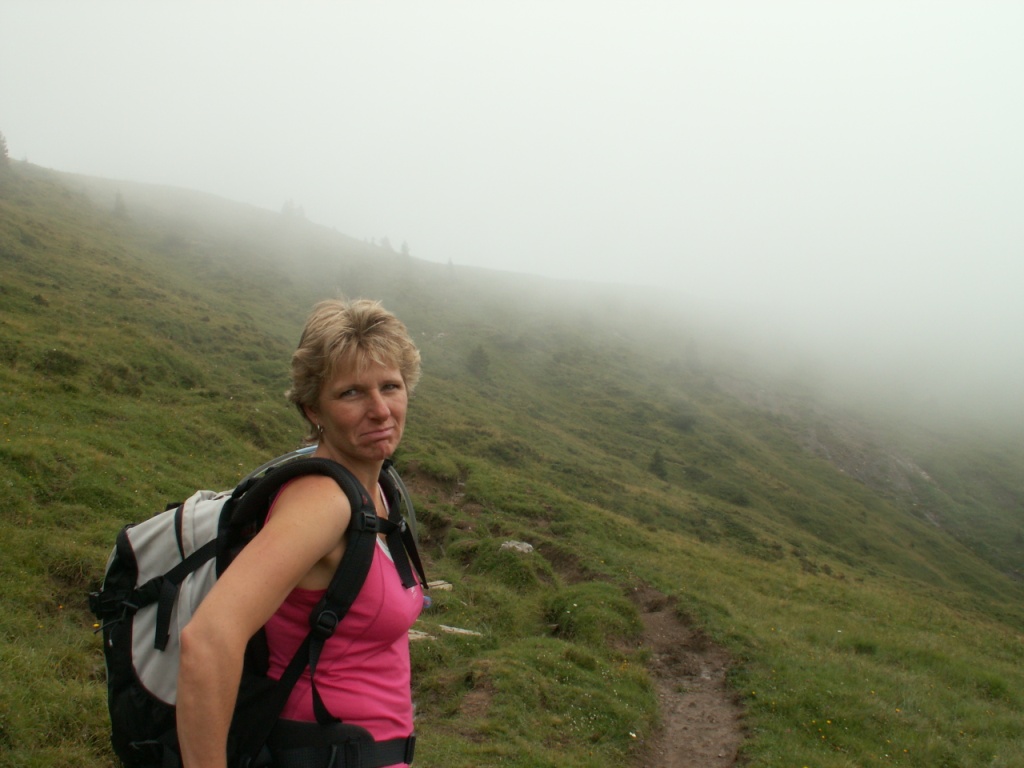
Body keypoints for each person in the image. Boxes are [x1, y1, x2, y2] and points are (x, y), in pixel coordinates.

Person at [177, 298, 424, 768]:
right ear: (313, 409)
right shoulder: (322, 504)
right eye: (351, 393)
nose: (380, 410)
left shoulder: (377, 490)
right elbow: (208, 639)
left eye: (390, 386)